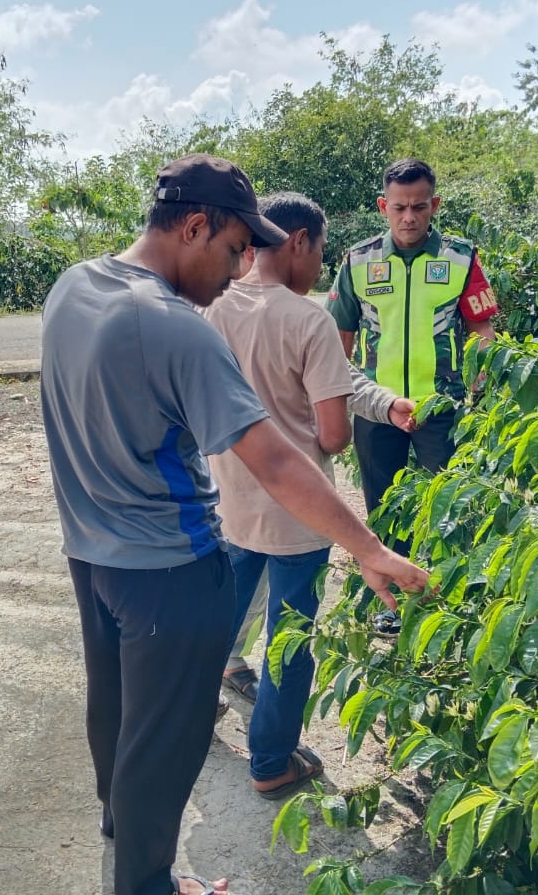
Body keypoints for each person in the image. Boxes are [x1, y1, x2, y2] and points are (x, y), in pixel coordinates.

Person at [39, 154, 431, 895]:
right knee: (170, 742)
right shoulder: (173, 328)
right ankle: (149, 883)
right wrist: (371, 550)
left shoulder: (74, 286)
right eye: (231, 250)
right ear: (194, 226)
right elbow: (279, 463)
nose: (237, 268)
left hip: (89, 556)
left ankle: (121, 836)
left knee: (117, 715)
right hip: (170, 571)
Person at [204, 192, 415, 799]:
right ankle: (271, 758)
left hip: (231, 497)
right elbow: (331, 434)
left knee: (224, 617)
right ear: (298, 241)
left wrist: (380, 399)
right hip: (297, 511)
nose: (322, 265)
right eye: (320, 249)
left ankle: (191, 722)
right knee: (290, 639)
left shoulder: (215, 307)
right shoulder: (308, 318)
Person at [327, 157, 498, 531]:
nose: (409, 217)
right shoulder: (358, 260)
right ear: (383, 206)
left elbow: (481, 331)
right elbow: (340, 337)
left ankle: (442, 583)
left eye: (419, 207)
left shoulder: (461, 258)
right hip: (376, 407)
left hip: (443, 406)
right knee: (384, 512)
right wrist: (336, 403)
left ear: (434, 205)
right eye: (399, 207)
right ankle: (390, 583)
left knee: (452, 511)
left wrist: (479, 394)